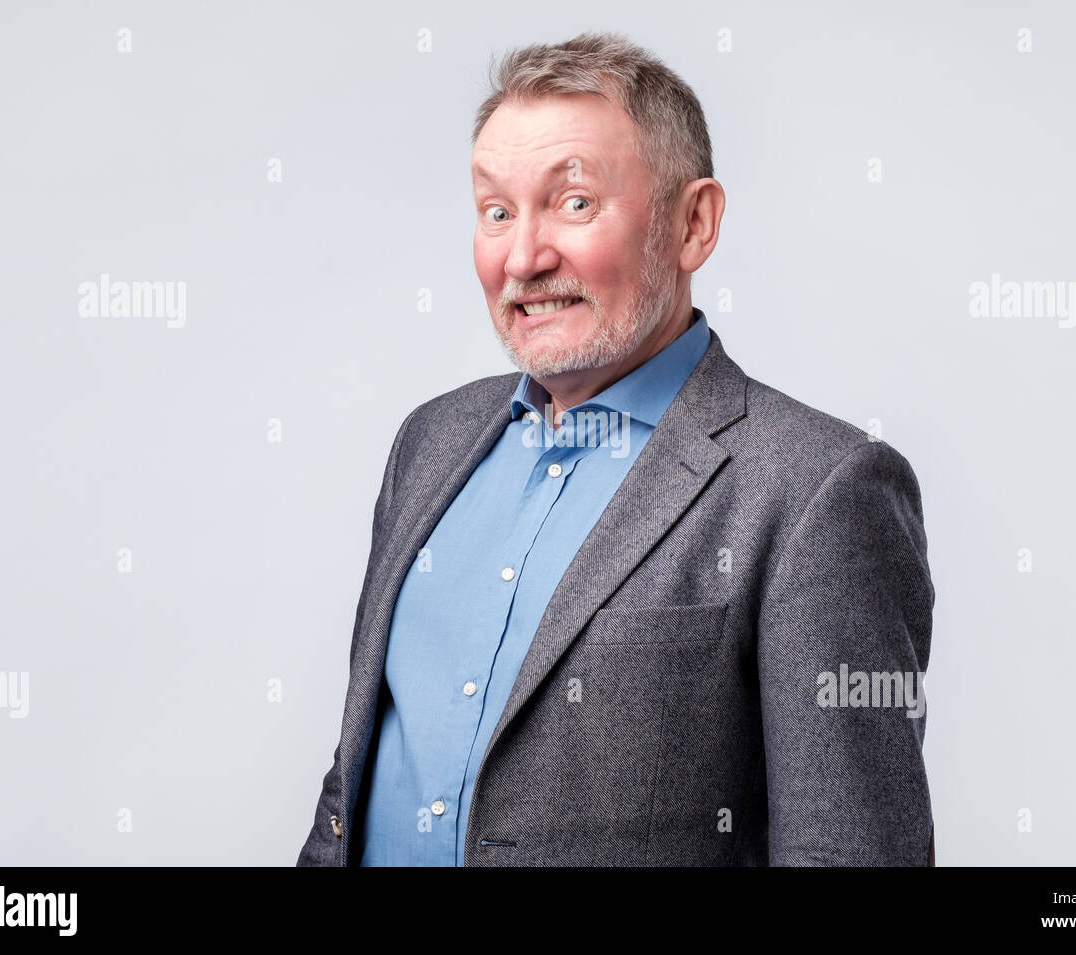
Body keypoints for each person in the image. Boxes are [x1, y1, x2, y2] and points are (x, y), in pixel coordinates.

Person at [297, 31, 936, 867]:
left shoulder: (817, 489)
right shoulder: (430, 442)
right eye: (496, 211)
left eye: (573, 203)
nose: (523, 257)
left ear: (693, 223)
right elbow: (354, 793)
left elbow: (851, 853)